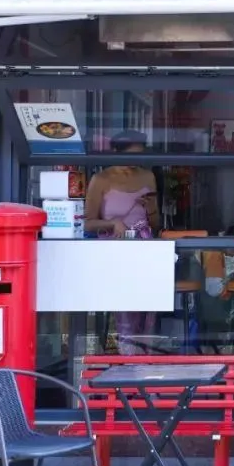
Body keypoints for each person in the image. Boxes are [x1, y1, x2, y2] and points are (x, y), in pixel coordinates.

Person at [84, 130, 161, 355]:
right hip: (114, 250)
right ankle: (129, 357)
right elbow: (88, 223)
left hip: (144, 246)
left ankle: (147, 357)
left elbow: (155, 223)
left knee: (150, 304)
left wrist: (151, 207)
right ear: (117, 152)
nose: (136, 162)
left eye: (140, 155)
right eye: (132, 155)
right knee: (126, 304)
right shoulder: (101, 180)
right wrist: (112, 223)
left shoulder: (148, 176)